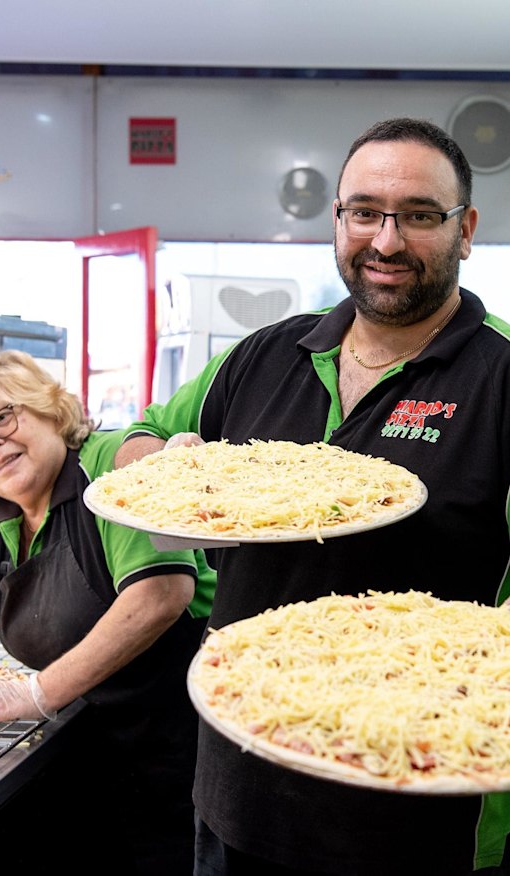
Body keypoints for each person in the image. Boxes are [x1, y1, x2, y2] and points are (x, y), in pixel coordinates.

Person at [114, 117, 510, 875]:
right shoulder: (265, 354)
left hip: (421, 796)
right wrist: (166, 468)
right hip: (241, 781)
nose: (386, 240)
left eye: (419, 215)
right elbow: (137, 439)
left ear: (465, 231)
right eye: (365, 212)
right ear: (337, 219)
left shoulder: (501, 375)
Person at [0, 349, 216, 874]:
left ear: (50, 408)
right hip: (90, 759)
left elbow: (160, 595)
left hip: (179, 757)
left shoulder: (108, 468)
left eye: (2, 417)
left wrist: (34, 693)